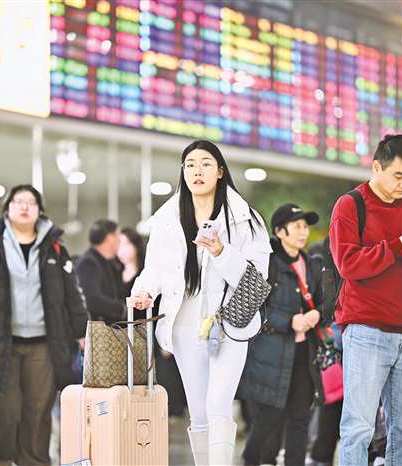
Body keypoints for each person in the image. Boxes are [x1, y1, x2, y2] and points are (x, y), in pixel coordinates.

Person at [128, 140, 271, 465]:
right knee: (199, 410)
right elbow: (154, 268)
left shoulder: (245, 219)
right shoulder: (167, 218)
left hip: (229, 321)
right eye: (190, 164)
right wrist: (144, 290)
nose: (197, 171)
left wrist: (221, 252)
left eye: (206, 163)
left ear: (220, 171)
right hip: (184, 322)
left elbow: (257, 277)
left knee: (218, 403)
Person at [0, 185, 89, 466]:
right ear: (8, 209)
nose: (25, 207)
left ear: (39, 210)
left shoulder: (54, 246)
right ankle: (1, 460)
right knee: (5, 408)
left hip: (44, 344)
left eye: (31, 202)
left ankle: (35, 461)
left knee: (38, 411)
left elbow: (72, 293)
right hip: (1, 342)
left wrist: (82, 332)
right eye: (18, 202)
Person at [330, 134, 402, 466]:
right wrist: (399, 246)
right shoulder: (350, 205)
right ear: (376, 167)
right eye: (398, 175)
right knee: (358, 428)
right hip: (366, 331)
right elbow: (348, 264)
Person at [239, 204, 323, 466]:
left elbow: (325, 302)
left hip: (304, 355)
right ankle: (252, 461)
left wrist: (318, 313)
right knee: (268, 420)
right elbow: (250, 308)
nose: (303, 232)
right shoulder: (266, 264)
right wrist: (289, 321)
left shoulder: (311, 264)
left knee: (300, 420)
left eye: (305, 226)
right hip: (270, 356)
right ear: (279, 231)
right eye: (296, 226)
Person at [76, 219, 125, 324]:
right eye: (118, 235)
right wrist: (122, 308)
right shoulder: (89, 262)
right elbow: (91, 299)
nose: (119, 241)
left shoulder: (107, 262)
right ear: (110, 238)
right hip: (97, 329)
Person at [117, 227, 146, 299]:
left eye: (126, 244)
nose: (122, 250)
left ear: (136, 246)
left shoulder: (145, 275)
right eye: (118, 245)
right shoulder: (113, 275)